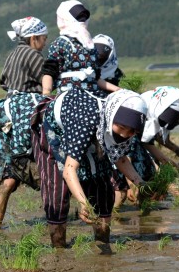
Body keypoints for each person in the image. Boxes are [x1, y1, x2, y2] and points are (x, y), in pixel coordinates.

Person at [31, 87, 148, 248]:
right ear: (111, 117)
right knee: (57, 193)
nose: (124, 134)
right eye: (121, 128)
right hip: (56, 132)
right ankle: (59, 249)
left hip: (91, 131)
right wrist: (83, 203)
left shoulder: (126, 128)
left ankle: (103, 243)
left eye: (131, 131)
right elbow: (69, 169)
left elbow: (119, 158)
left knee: (102, 185)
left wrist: (140, 183)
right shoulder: (86, 120)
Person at [0, 16, 48, 228]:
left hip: (5, 109)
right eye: (43, 38)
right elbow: (48, 81)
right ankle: (57, 216)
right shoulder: (34, 55)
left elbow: (3, 81)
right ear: (34, 38)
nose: (45, 42)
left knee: (8, 176)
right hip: (26, 109)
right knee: (41, 164)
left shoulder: (12, 54)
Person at [114, 86, 179, 208]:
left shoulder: (157, 115)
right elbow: (126, 152)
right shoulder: (136, 113)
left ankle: (142, 214)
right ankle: (111, 218)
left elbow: (154, 138)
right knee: (122, 192)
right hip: (121, 153)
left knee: (148, 179)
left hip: (134, 150)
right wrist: (131, 182)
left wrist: (176, 151)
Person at [41, 0, 120, 96]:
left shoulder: (90, 45)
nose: (82, 20)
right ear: (65, 18)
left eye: (84, 17)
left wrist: (118, 90)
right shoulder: (60, 43)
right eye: (79, 17)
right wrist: (46, 94)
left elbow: (96, 77)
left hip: (93, 95)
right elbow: (49, 72)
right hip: (69, 96)